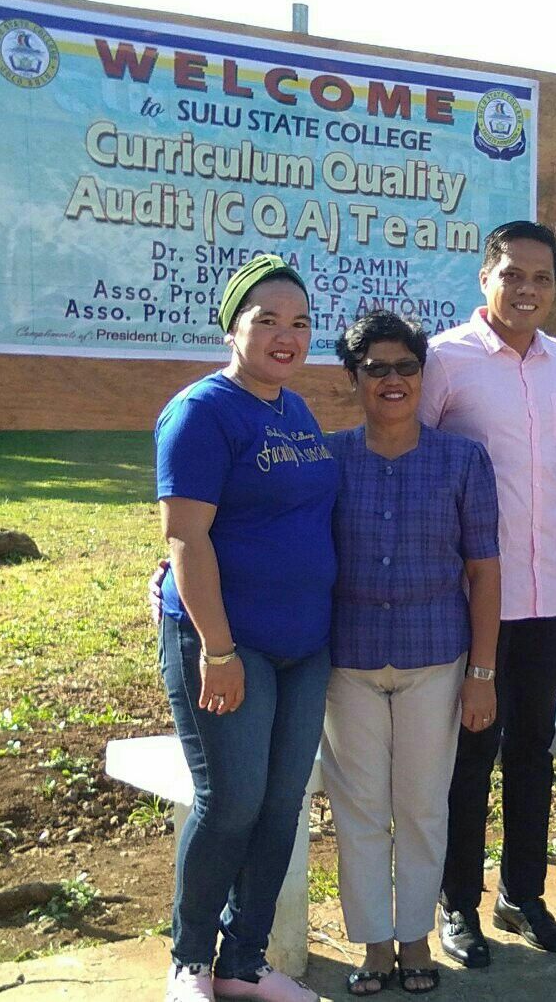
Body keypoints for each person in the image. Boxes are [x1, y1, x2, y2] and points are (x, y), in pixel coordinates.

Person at [154, 254, 335, 1002]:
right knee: (230, 803)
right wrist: (218, 649)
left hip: (306, 646)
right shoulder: (202, 411)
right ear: (233, 327)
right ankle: (191, 960)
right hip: (229, 644)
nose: (286, 336)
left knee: (282, 804)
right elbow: (185, 537)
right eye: (267, 320)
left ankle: (244, 963)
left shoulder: (295, 410)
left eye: (300, 323)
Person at [321, 312, 501, 996]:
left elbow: (484, 570)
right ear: (354, 378)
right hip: (350, 660)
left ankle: (417, 936)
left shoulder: (462, 460)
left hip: (436, 658)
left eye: (406, 367)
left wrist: (482, 672)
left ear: (423, 375)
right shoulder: (329, 460)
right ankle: (374, 944)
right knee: (361, 811)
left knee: (424, 807)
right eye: (376, 368)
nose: (392, 380)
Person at [419, 221, 556, 964]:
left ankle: (521, 894)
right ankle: (458, 902)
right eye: (512, 273)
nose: (527, 289)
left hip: (548, 596)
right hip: (473, 599)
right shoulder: (445, 359)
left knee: (533, 753)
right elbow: (413, 457)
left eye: (541, 278)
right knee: (469, 757)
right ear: (485, 277)